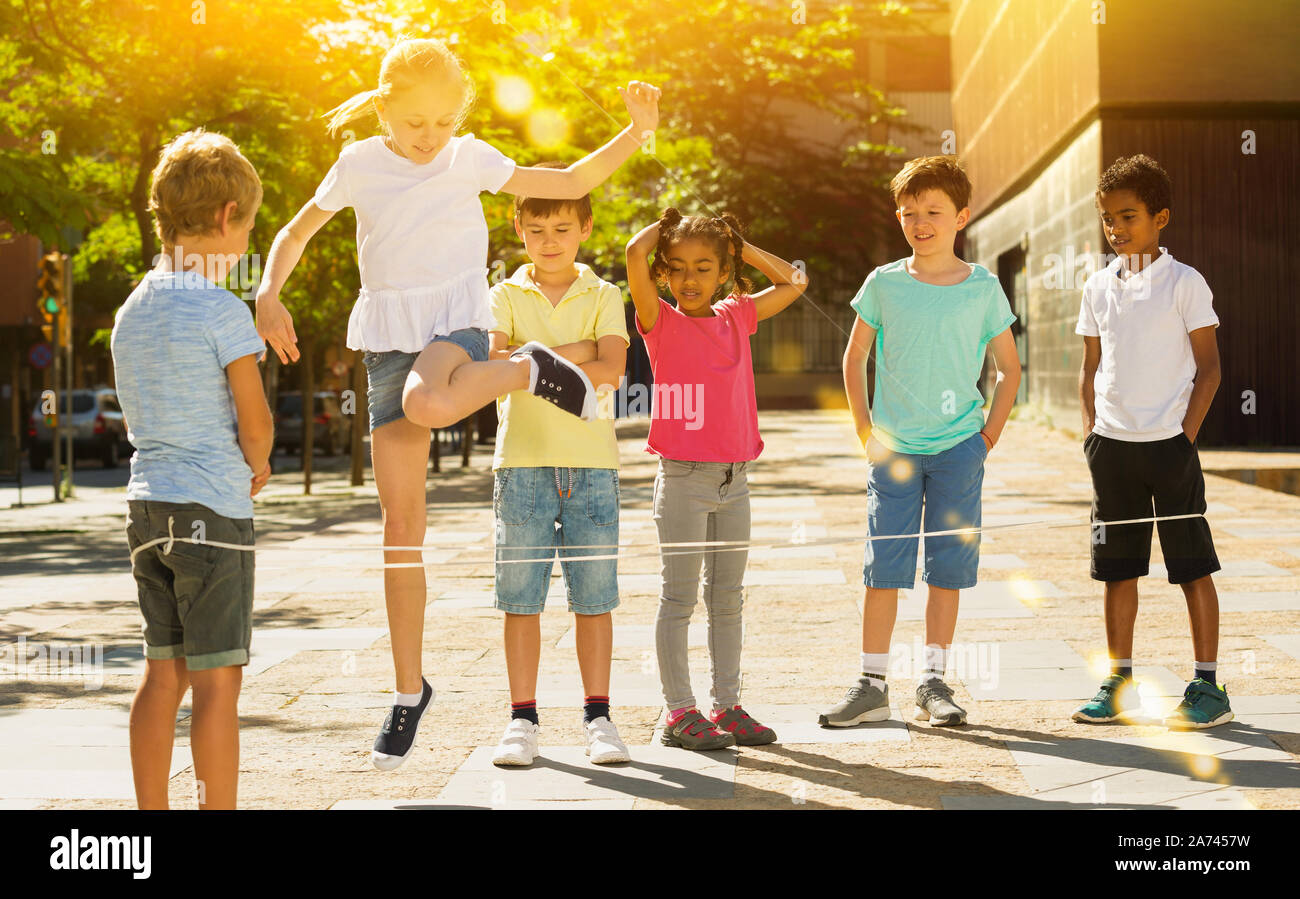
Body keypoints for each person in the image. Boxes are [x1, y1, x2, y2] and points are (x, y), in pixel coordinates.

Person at [253, 35, 660, 770]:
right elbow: (295, 230)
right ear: (383, 108)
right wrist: (268, 290)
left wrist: (634, 132)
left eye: (443, 121)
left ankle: (522, 369)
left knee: (428, 401)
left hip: (456, 331)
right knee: (400, 526)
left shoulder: (469, 157)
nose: (429, 137)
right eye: (415, 123)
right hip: (387, 341)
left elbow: (567, 179)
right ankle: (408, 692)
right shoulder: (358, 166)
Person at [819, 155, 1019, 729]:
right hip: (895, 451)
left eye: (933, 211)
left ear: (962, 216)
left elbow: (1009, 367)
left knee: (946, 569)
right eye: (909, 213)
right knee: (883, 567)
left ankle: (932, 682)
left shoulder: (982, 286)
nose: (919, 222)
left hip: (960, 449)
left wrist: (986, 438)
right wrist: (865, 431)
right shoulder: (883, 283)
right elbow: (854, 356)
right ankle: (871, 684)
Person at [111, 128, 274, 808]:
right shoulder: (222, 309)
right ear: (225, 217)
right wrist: (258, 463)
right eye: (247, 231)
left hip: (147, 511)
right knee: (217, 683)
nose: (244, 249)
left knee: (161, 675)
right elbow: (254, 418)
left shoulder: (130, 310)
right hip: (212, 512)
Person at [626, 208, 808, 750]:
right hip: (683, 479)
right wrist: (671, 224)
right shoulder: (659, 321)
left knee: (728, 598)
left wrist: (739, 243)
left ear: (724, 271)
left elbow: (795, 281)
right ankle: (678, 713)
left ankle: (726, 706)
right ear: (663, 273)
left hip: (736, 480)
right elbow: (635, 254)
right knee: (679, 598)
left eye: (704, 267)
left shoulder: (737, 316)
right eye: (677, 267)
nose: (690, 279)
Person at [1073, 153, 1230, 728]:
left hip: (1169, 447)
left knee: (1191, 566)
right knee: (1116, 569)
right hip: (1111, 449)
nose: (1116, 229)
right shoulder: (1096, 286)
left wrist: (1183, 438)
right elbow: (1090, 365)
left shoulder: (1186, 283)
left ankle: (1209, 687)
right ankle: (1119, 682)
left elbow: (1210, 370)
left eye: (1129, 217)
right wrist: (1091, 431)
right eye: (1108, 219)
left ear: (1160, 217)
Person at [487, 169, 631, 767]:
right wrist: (574, 356)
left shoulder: (603, 294)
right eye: (538, 227)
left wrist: (536, 359)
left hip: (592, 467)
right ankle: (523, 720)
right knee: (520, 599)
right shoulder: (501, 295)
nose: (550, 239)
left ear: (585, 228)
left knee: (593, 598)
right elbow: (494, 365)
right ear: (519, 227)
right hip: (520, 467)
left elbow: (612, 369)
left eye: (563, 228)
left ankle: (599, 717)